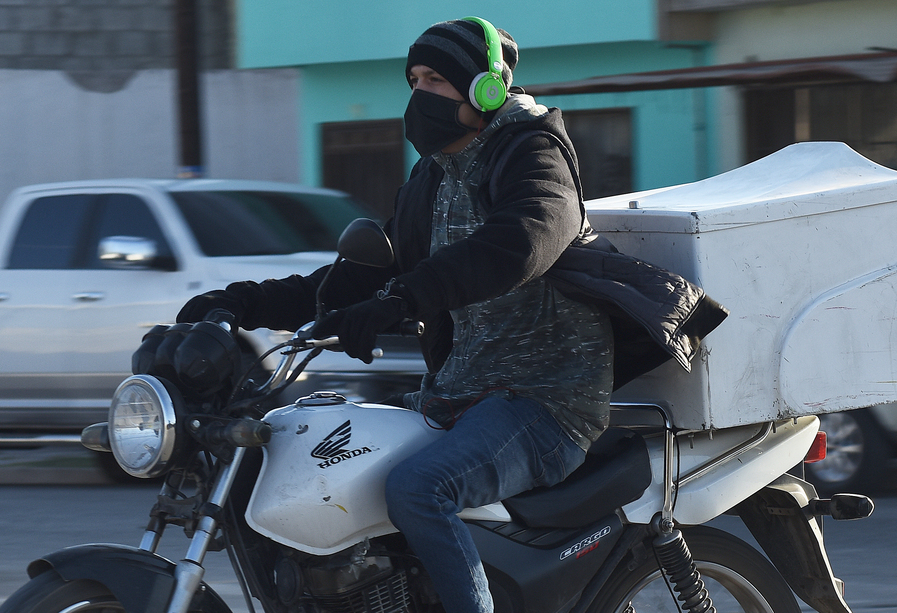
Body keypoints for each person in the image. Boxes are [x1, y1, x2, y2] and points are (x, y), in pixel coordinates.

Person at [176, 16, 726, 613]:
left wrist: (405, 299)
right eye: (413, 79)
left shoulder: (533, 153)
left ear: (485, 88)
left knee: (419, 488)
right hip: (458, 395)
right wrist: (243, 303)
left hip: (546, 400)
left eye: (435, 79)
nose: (419, 94)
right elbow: (363, 275)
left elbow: (522, 243)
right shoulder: (430, 179)